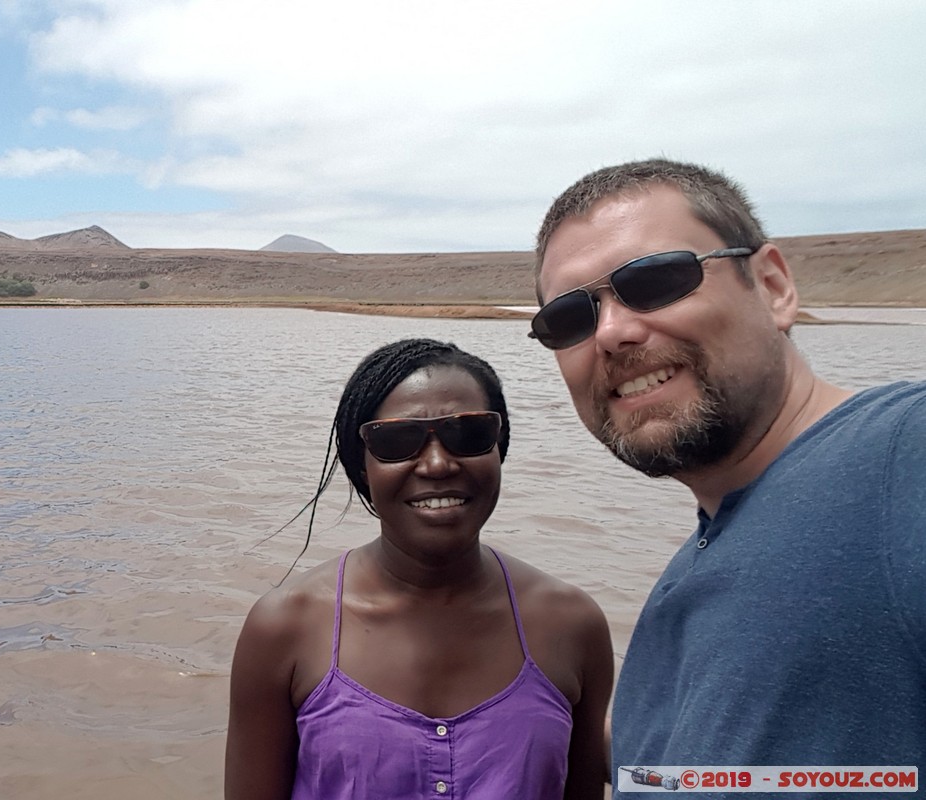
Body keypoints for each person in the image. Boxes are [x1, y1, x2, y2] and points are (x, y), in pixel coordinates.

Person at [530, 158, 926, 788]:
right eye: (570, 319)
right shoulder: (692, 572)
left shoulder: (903, 457)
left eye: (656, 280)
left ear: (772, 287)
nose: (611, 332)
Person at [225, 338, 613, 800]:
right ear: (362, 466)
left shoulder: (571, 624)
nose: (436, 463)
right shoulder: (285, 628)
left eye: (467, 434)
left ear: (498, 449)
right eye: (397, 441)